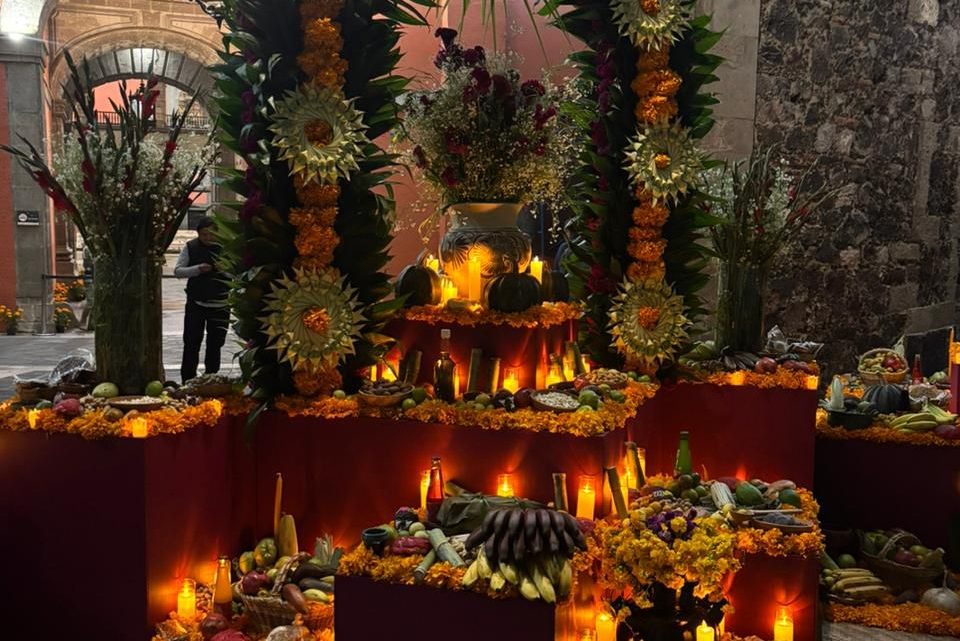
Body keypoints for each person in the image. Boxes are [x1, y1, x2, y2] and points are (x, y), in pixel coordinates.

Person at [174, 217, 229, 383]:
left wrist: (224, 270)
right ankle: (188, 380)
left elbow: (238, 276)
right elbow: (178, 271)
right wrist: (197, 269)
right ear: (198, 234)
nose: (208, 238)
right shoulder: (191, 247)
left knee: (215, 343)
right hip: (196, 302)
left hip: (220, 304)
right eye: (204, 235)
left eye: (212, 234)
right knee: (191, 342)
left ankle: (211, 378)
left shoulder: (226, 249)